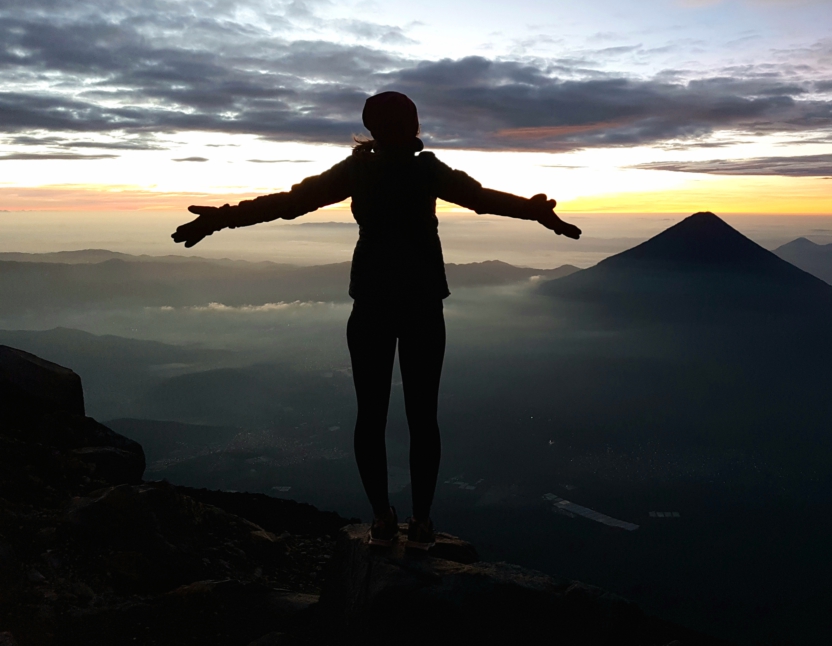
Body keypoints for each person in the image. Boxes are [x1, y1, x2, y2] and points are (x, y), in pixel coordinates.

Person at [171, 91, 581, 550]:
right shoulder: (424, 170)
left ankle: (384, 520)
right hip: (420, 302)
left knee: (374, 415)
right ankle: (418, 523)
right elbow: (480, 199)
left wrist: (224, 219)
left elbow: (291, 202)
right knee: (421, 416)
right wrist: (534, 211)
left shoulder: (362, 170)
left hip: (372, 302)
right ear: (411, 125)